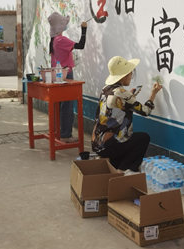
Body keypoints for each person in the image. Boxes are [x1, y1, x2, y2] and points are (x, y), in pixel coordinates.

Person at [91, 55, 163, 173]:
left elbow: (117, 103)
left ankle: (116, 166)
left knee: (126, 140)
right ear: (123, 76)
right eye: (130, 74)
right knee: (143, 138)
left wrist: (129, 95)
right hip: (111, 145)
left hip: (98, 144)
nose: (131, 76)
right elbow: (145, 111)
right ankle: (123, 170)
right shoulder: (123, 94)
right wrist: (153, 94)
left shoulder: (106, 89)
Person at [48, 12, 87, 143]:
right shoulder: (61, 40)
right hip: (65, 74)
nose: (66, 26)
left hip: (56, 74)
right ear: (60, 26)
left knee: (58, 105)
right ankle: (66, 135)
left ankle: (57, 132)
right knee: (67, 106)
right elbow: (80, 45)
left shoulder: (54, 40)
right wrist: (84, 30)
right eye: (64, 24)